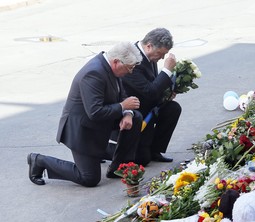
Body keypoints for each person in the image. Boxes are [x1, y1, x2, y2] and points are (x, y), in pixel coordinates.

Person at [27, 42, 143, 187]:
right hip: (82, 131)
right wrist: (122, 106)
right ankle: (39, 160)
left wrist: (127, 113)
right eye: (129, 68)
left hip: (99, 124)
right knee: (90, 178)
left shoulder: (113, 68)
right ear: (116, 62)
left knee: (136, 117)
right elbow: (95, 112)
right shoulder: (93, 73)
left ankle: (118, 166)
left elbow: (121, 94)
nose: (130, 72)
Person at [121, 27, 181, 165]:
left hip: (148, 106)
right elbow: (150, 91)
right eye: (160, 54)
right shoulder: (132, 59)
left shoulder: (149, 56)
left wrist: (166, 94)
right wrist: (166, 70)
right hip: (134, 111)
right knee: (142, 159)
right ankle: (104, 149)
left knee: (173, 108)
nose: (162, 58)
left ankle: (155, 150)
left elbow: (153, 86)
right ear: (149, 46)